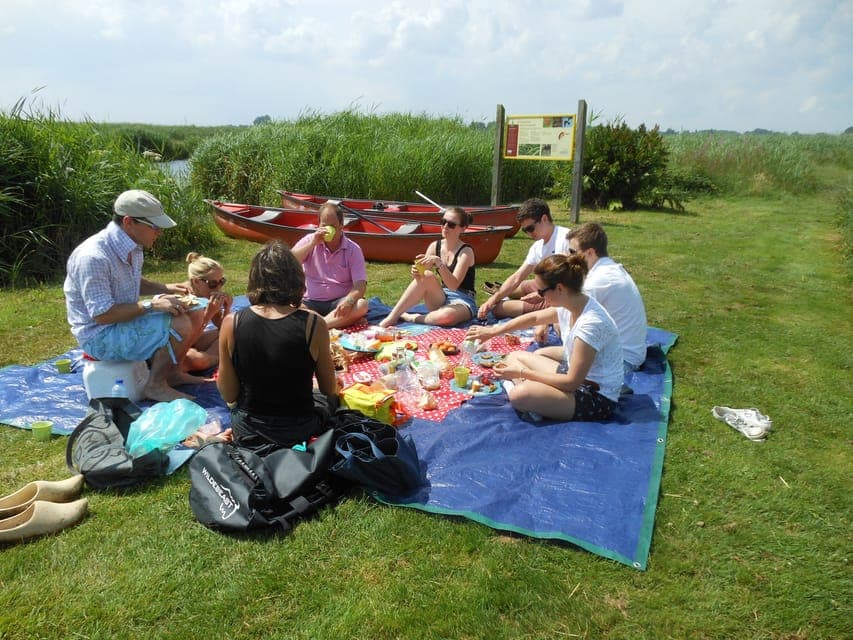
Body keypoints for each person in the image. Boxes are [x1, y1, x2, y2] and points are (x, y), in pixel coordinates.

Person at [64, 189, 208, 402]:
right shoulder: (93, 258)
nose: (159, 232)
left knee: (195, 309)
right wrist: (152, 305)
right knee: (180, 324)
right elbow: (102, 315)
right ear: (129, 222)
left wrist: (165, 288)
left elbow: (129, 282)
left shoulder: (132, 246)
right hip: (100, 335)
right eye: (154, 226)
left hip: (121, 321)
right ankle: (156, 385)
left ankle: (172, 374)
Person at [466, 254, 623, 422]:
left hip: (596, 396)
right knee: (514, 356)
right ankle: (540, 398)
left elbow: (571, 383)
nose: (539, 296)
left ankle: (535, 398)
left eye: (541, 291)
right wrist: (492, 332)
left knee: (520, 395)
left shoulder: (590, 325)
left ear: (560, 288)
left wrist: (521, 372)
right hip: (576, 378)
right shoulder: (571, 303)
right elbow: (534, 318)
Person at [216, 240, 338, 454]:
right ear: (296, 279)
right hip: (298, 430)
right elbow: (329, 388)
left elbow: (229, 394)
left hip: (248, 431)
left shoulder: (231, 323)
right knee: (327, 399)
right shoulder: (313, 324)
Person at [477, 198, 571, 340]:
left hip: (560, 295)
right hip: (545, 288)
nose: (528, 233)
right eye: (524, 230)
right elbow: (517, 277)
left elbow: (571, 282)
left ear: (544, 219)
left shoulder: (566, 239)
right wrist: (492, 300)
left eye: (530, 228)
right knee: (521, 286)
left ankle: (531, 306)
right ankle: (500, 292)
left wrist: (541, 300)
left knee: (498, 309)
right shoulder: (538, 246)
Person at [568, 223, 647, 375]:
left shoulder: (598, 281)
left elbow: (573, 328)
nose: (568, 256)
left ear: (589, 252)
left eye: (572, 251)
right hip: (628, 352)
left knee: (541, 361)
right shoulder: (608, 269)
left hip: (621, 360)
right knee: (542, 356)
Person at [379, 206, 477, 327]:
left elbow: (453, 285)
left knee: (446, 317)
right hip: (441, 296)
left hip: (463, 299)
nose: (445, 227)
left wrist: (438, 262)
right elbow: (420, 279)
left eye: (451, 224)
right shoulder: (434, 246)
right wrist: (416, 272)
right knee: (425, 275)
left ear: (463, 228)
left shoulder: (466, 252)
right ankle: (392, 317)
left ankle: (411, 317)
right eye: (443, 222)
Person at [291, 202, 368, 329]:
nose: (328, 229)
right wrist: (312, 244)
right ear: (318, 225)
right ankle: (333, 323)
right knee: (290, 305)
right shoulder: (310, 240)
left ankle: (319, 326)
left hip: (339, 303)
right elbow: (289, 261)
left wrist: (349, 301)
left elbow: (360, 285)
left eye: (332, 226)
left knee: (361, 305)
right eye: (324, 225)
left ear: (341, 226)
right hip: (310, 301)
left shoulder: (353, 249)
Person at [179, 252, 233, 372]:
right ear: (196, 281)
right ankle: (220, 358)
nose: (218, 288)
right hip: (175, 348)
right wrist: (208, 314)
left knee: (232, 333)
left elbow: (222, 327)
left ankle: (214, 357)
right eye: (213, 283)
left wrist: (227, 308)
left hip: (192, 343)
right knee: (194, 359)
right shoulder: (182, 300)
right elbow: (183, 343)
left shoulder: (207, 296)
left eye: (221, 281)